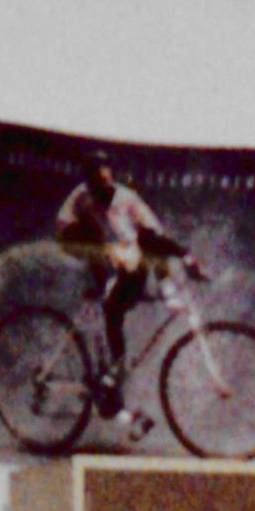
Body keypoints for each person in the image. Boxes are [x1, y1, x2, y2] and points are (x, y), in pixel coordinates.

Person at [50, 157, 195, 384]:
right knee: (112, 303)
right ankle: (115, 366)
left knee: (137, 261)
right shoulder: (84, 200)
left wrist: (173, 273)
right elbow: (77, 233)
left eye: (104, 190)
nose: (99, 197)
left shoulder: (128, 201)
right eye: (95, 189)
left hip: (111, 244)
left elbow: (155, 240)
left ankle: (111, 365)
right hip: (76, 238)